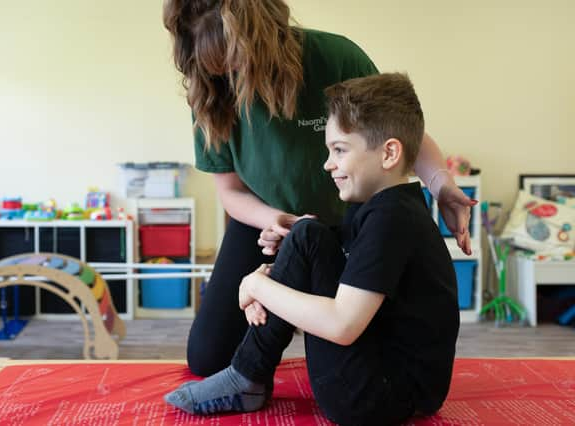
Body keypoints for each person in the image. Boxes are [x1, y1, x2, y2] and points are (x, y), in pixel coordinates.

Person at [163, 0, 473, 377]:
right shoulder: (210, 91)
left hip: (352, 221)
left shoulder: (334, 57)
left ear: (265, 36)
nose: (233, 73)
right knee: (207, 358)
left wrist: (442, 186)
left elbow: (403, 132)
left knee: (358, 337)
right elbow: (230, 191)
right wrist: (274, 220)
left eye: (238, 59)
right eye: (220, 66)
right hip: (269, 227)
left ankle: (296, 309)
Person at [164, 72, 460, 425]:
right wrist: (277, 275)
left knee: (305, 238)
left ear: (389, 153)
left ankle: (246, 376)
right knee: (306, 234)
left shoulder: (392, 218)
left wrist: (259, 287)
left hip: (377, 398)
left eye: (339, 150)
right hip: (386, 370)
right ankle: (249, 375)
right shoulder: (382, 207)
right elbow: (330, 267)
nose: (327, 164)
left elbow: (342, 325)